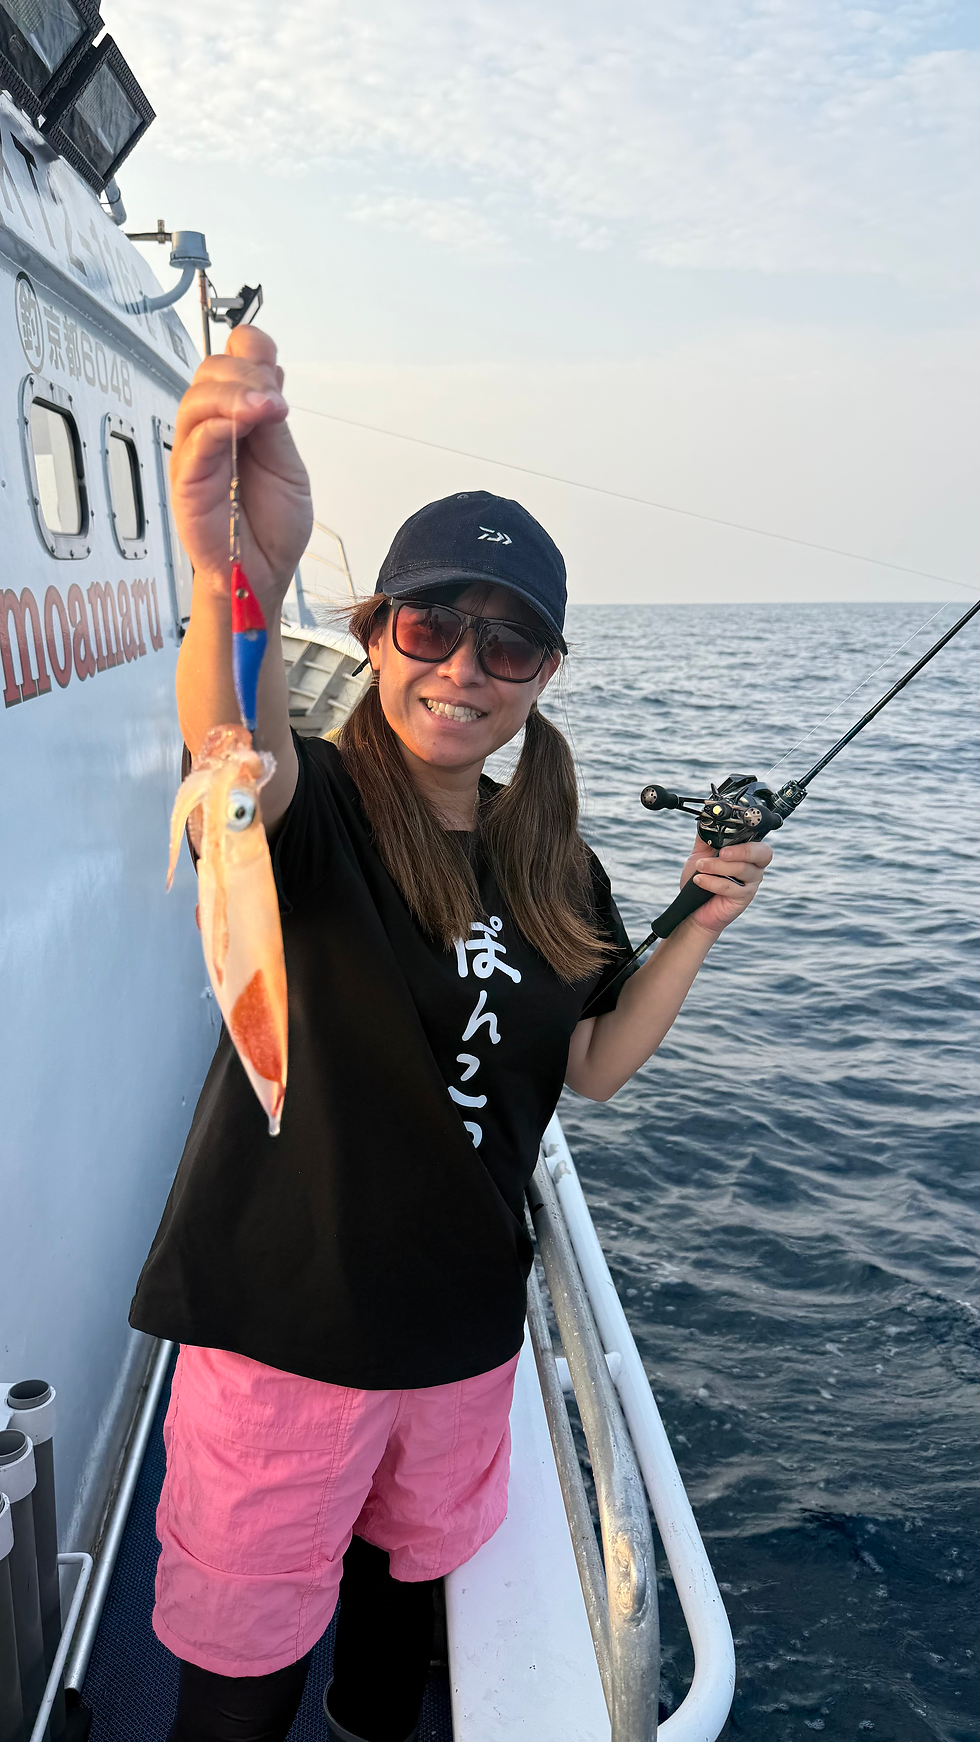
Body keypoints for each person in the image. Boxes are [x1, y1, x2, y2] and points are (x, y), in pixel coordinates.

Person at [129, 327, 772, 1742]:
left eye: (510, 642)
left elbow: (592, 1065)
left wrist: (699, 923)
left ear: (546, 669)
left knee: (396, 1623)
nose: (465, 669)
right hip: (287, 1334)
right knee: (237, 1678)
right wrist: (240, 570)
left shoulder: (557, 863)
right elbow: (233, 742)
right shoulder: (315, 805)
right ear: (375, 634)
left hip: (464, 1332)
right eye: (430, 625)